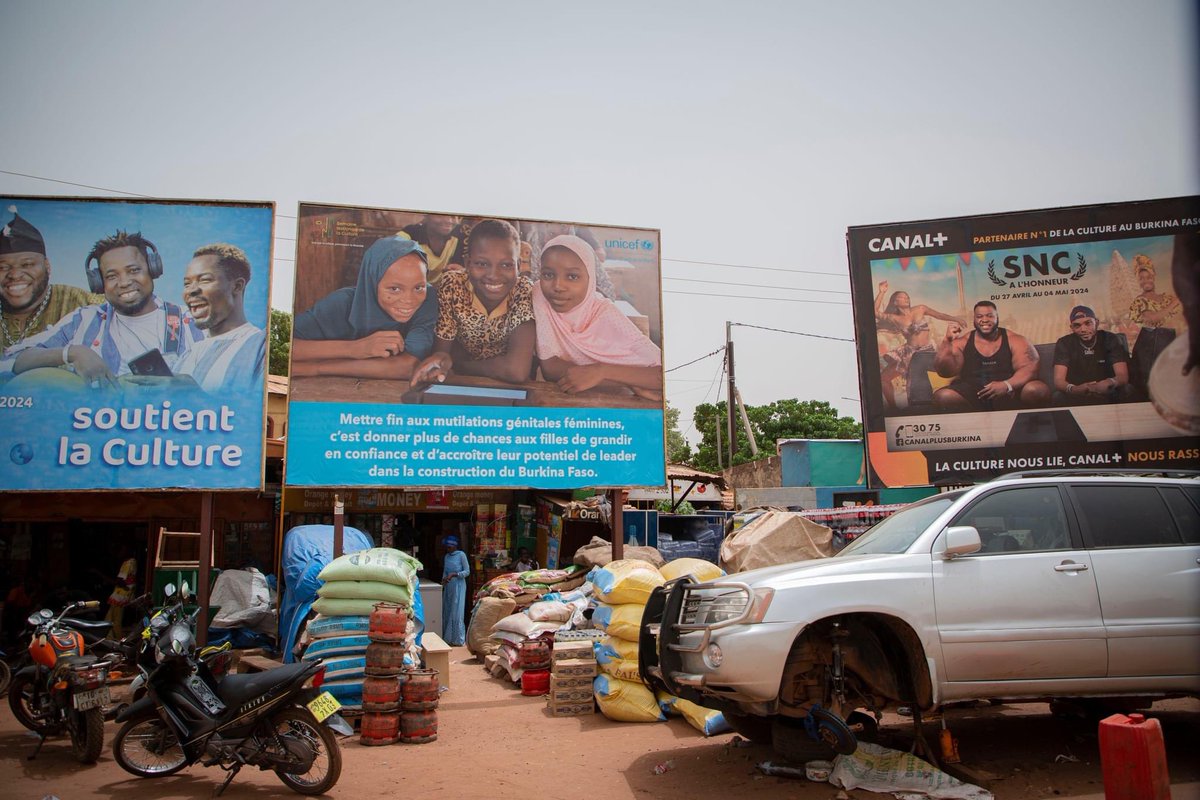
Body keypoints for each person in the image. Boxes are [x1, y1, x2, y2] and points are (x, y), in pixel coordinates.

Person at [2, 230, 202, 390]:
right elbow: (9, 361)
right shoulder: (83, 320)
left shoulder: (190, 321)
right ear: (98, 283)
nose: (124, 282)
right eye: (112, 276)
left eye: (134, 270)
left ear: (153, 269)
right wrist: (73, 353)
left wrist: (191, 389)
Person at [532, 234, 663, 399]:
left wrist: (602, 372)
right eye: (548, 275)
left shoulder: (605, 313)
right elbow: (550, 367)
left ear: (591, 279)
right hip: (555, 403)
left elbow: (661, 375)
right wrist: (629, 380)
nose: (558, 286)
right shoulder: (540, 295)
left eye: (572, 277)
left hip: (611, 411)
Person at [410, 219, 536, 386]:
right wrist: (442, 360)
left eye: (506, 265)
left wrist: (460, 364)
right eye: (482, 264)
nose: (493, 275)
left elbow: (516, 371)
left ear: (518, 266)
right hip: (462, 384)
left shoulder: (523, 290)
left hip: (508, 389)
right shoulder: (453, 285)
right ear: (467, 263)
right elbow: (442, 352)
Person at [292, 236, 437, 380]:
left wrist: (316, 368)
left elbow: (407, 366)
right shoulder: (341, 303)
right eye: (394, 289)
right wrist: (355, 348)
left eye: (419, 287)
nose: (409, 300)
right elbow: (284, 345)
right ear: (372, 282)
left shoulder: (428, 299)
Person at [0, 206, 100, 353]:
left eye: (27, 264)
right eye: (3, 267)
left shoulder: (83, 303)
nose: (14, 275)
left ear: (47, 266)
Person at [167, 243, 265, 392]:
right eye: (187, 284)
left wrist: (193, 395)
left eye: (205, 280)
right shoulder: (187, 356)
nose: (191, 290)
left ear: (237, 286)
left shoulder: (260, 346)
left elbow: (250, 410)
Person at [933, 300, 1049, 411]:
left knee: (1037, 389)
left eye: (989, 316)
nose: (984, 320)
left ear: (997, 317)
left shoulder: (1016, 340)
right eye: (979, 316)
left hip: (1010, 388)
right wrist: (947, 341)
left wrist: (1006, 385)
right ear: (974, 319)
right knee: (943, 396)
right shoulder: (962, 342)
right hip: (975, 392)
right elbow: (945, 372)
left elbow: (1029, 369)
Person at [873, 281, 966, 409]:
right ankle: (894, 409)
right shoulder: (893, 318)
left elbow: (939, 315)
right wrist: (881, 292)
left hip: (926, 352)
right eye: (902, 297)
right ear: (895, 302)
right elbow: (875, 312)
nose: (906, 299)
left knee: (952, 366)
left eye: (907, 297)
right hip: (909, 353)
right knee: (883, 379)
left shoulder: (920, 309)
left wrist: (955, 319)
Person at [1051, 305, 1133, 405]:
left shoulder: (1110, 339)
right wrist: (1075, 389)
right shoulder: (1064, 343)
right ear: (1071, 328)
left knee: (1127, 390)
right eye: (1077, 325)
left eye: (1088, 323)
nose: (1083, 329)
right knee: (1058, 397)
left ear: (1096, 323)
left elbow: (1122, 376)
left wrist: (1108, 383)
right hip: (1078, 392)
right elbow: (1059, 381)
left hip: (1107, 390)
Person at [1127, 254, 1183, 397]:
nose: (1146, 280)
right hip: (1150, 349)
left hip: (1172, 345)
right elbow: (1152, 318)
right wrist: (1177, 301)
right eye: (1141, 278)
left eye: (1148, 276)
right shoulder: (1139, 302)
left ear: (1154, 276)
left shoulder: (1167, 298)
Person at [397, 214, 464, 284]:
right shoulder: (411, 234)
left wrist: (460, 270)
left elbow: (461, 267)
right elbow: (389, 250)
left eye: (453, 216)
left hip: (439, 290)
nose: (449, 221)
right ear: (426, 214)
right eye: (440, 215)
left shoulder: (458, 235)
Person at [440, 535, 469, 647]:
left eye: (450, 547)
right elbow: (445, 571)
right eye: (447, 547)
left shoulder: (461, 555)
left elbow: (467, 571)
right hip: (449, 586)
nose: (448, 549)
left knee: (457, 612)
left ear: (455, 546)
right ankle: (447, 638)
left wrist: (455, 574)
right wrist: (443, 581)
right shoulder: (447, 556)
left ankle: (458, 639)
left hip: (458, 585)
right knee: (447, 610)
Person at [105, 546, 138, 639]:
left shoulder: (128, 563)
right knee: (109, 618)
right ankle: (109, 639)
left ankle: (118, 640)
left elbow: (120, 580)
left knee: (115, 621)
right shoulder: (132, 562)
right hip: (121, 595)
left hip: (120, 595)